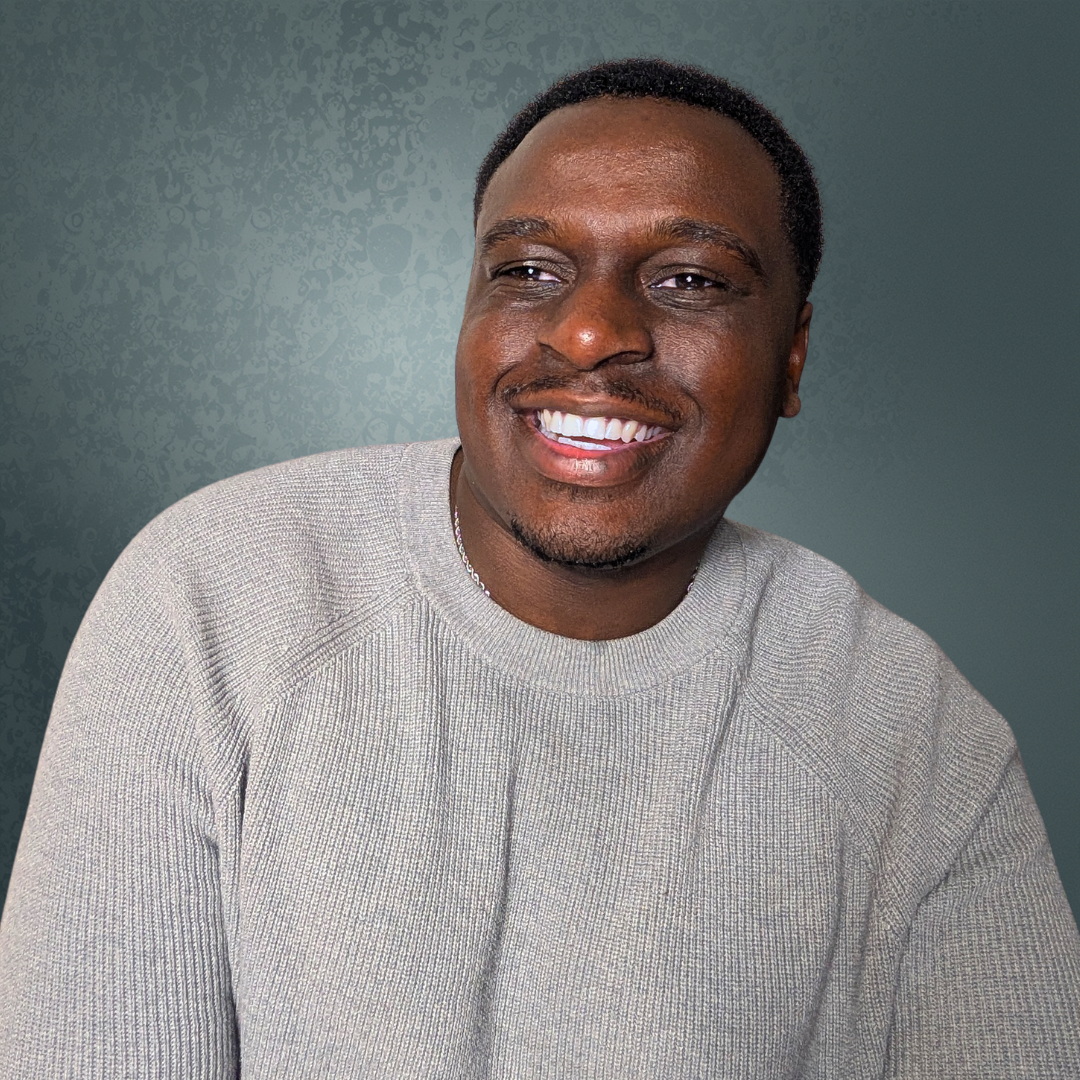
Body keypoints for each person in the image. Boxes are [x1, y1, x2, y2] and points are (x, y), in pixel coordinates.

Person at [0, 58, 1077, 1078]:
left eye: (691, 280)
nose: (592, 329)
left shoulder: (915, 737)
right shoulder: (213, 600)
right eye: (526, 270)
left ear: (792, 356)